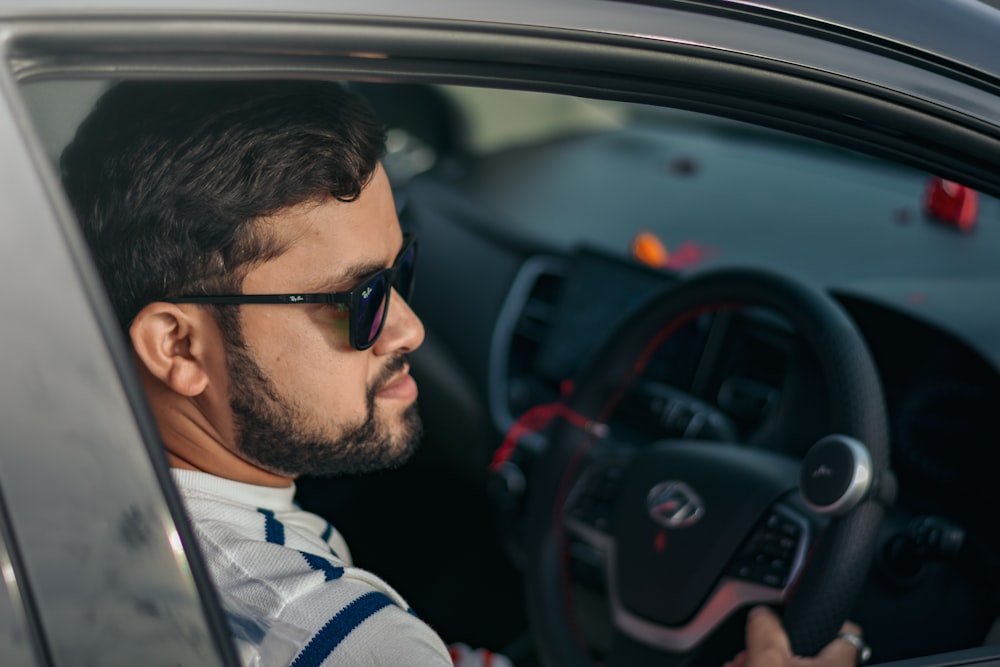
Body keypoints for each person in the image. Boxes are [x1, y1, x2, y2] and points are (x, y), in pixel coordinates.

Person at [59, 79, 865, 667]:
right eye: (360, 297)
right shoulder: (333, 635)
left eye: (402, 269)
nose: (408, 325)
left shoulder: (51, 480)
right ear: (179, 346)